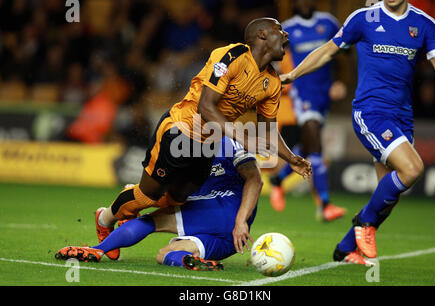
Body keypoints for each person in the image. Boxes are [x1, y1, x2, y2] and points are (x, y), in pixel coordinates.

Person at [87, 17, 312, 260]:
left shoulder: (273, 83)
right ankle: (105, 217)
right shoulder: (231, 56)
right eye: (280, 30)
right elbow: (206, 106)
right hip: (180, 130)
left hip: (208, 144)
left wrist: (291, 158)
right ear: (262, 35)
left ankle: (128, 205)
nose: (286, 36)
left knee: (178, 197)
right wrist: (242, 137)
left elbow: (268, 129)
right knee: (147, 195)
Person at [280, 0, 435, 264]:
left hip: (402, 117)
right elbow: (327, 52)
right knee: (413, 169)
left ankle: (346, 247)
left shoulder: (425, 24)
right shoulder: (363, 19)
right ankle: (364, 221)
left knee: (388, 197)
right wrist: (292, 75)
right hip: (370, 112)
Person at [55, 136, 262, 271]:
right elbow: (255, 178)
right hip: (231, 241)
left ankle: (98, 249)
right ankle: (186, 260)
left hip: (224, 213)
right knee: (164, 255)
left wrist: (239, 220)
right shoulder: (230, 143)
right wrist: (243, 223)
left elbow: (255, 180)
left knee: (150, 220)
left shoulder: (209, 144)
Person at [269, 0, 347, 222]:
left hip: (324, 94)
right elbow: (273, 57)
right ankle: (324, 204)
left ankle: (278, 179)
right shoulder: (287, 27)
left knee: (309, 144)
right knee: (316, 146)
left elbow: (343, 54)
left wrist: (340, 81)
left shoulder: (328, 23)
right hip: (302, 94)